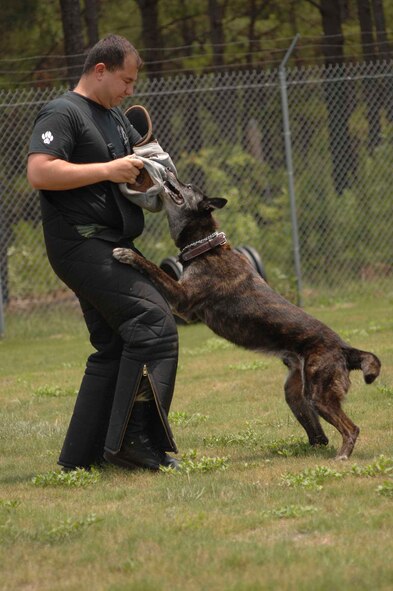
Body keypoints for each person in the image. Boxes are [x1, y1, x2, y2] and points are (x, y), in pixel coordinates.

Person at [27, 34, 179, 472]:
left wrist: (149, 174)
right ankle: (135, 444)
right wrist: (109, 169)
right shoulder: (63, 112)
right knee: (153, 324)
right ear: (100, 70)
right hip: (80, 242)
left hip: (112, 242)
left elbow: (141, 161)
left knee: (114, 344)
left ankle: (81, 457)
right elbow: (40, 171)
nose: (130, 90)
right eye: (125, 80)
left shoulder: (113, 116)